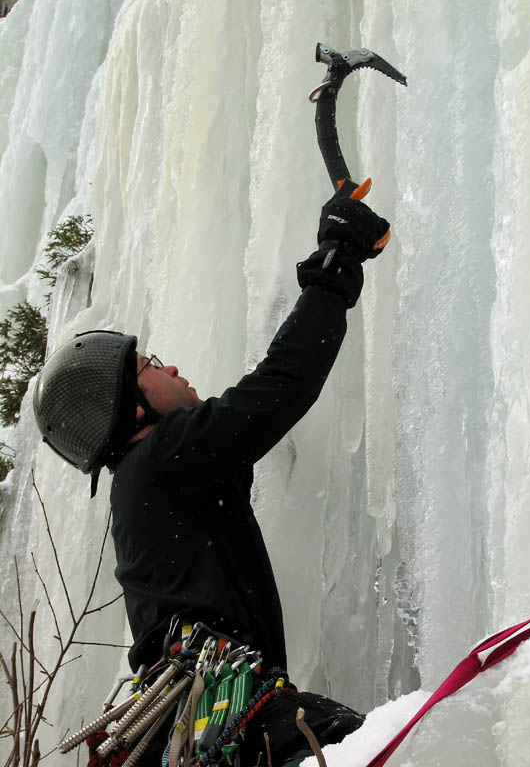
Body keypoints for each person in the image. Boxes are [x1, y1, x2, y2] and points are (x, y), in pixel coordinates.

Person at [33, 187, 390, 766]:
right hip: (231, 712)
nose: (169, 365)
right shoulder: (162, 457)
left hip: (190, 726)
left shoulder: (147, 484)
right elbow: (278, 387)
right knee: (368, 746)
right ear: (132, 408)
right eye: (150, 366)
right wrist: (334, 263)